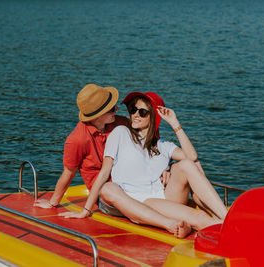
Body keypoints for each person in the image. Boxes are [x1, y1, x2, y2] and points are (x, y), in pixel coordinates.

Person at [59, 92, 228, 238]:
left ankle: (227, 218)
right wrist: (86, 210)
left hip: (161, 196)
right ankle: (185, 225)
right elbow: (104, 172)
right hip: (136, 200)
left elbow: (192, 156)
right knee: (108, 189)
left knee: (188, 165)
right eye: (133, 110)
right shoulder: (120, 133)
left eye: (142, 112)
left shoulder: (163, 145)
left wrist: (175, 123)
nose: (135, 115)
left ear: (153, 115)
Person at [34, 84, 128, 209]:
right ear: (98, 115)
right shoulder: (77, 139)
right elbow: (68, 173)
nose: (117, 108)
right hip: (105, 195)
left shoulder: (121, 123)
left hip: (131, 183)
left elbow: (146, 137)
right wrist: (53, 202)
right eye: (111, 109)